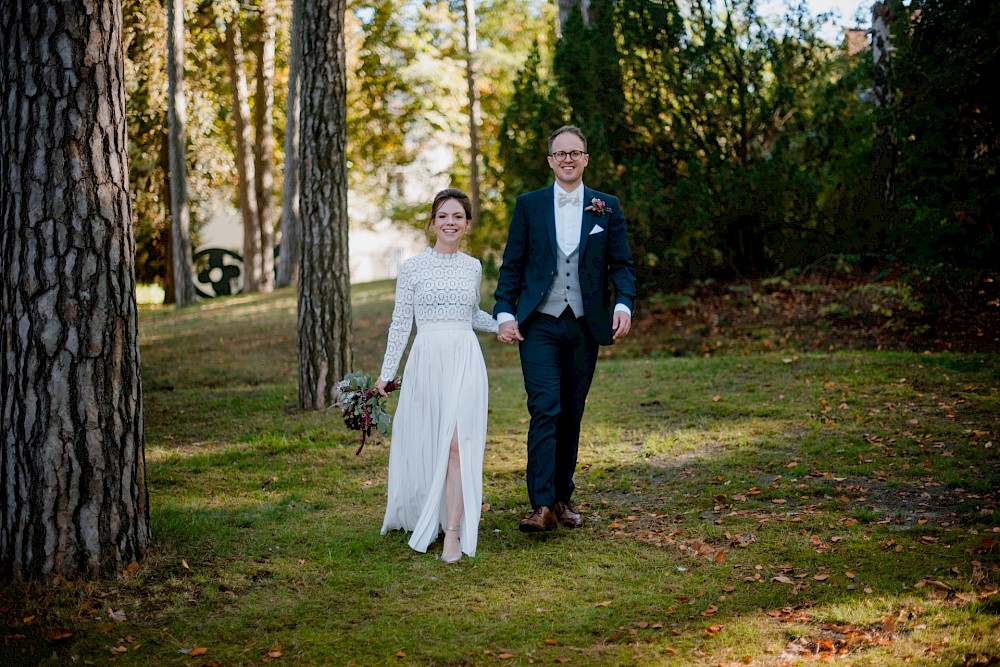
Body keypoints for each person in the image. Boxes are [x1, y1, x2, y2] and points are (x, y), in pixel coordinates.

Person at [494, 125, 638, 533]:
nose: (568, 159)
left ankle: (562, 497)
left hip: (584, 325)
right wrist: (505, 312)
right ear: (551, 162)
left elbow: (622, 266)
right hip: (538, 324)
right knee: (545, 408)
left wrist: (623, 303)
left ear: (586, 159)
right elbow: (512, 267)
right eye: (561, 154)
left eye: (575, 152)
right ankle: (539, 504)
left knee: (572, 411)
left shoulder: (606, 206)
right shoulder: (529, 205)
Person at [376, 188, 498, 562]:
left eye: (458, 217)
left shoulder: (473, 267)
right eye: (443, 216)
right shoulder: (412, 268)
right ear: (433, 222)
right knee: (434, 443)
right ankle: (428, 516)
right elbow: (401, 324)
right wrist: (386, 375)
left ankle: (454, 531)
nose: (450, 222)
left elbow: (472, 315)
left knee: (459, 445)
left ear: (466, 225)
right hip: (427, 361)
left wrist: (502, 327)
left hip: (464, 358)